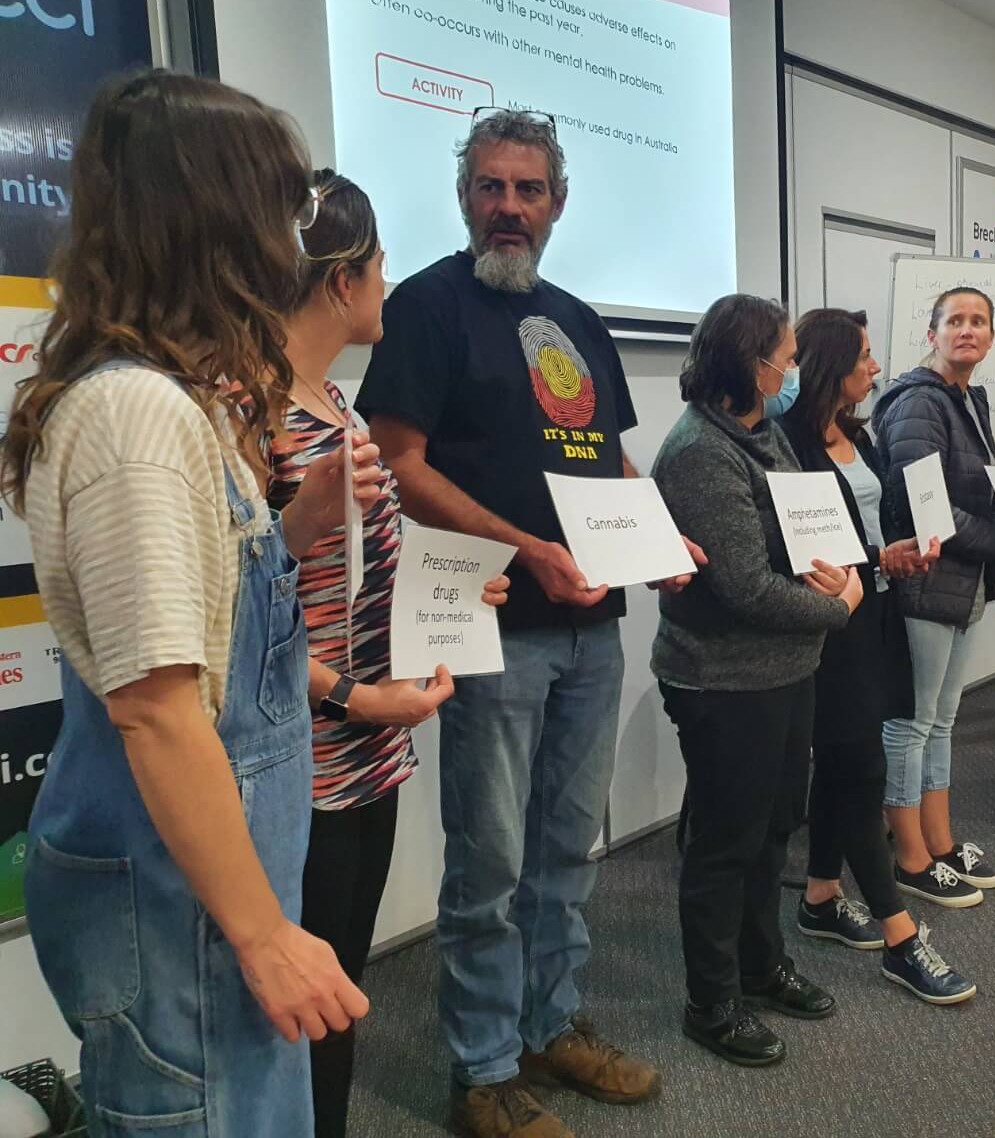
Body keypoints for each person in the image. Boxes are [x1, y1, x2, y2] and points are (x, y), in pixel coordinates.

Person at [1, 69, 374, 1133]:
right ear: (223, 218)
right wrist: (265, 935)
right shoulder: (134, 416)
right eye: (286, 207)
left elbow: (216, 628)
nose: (295, 243)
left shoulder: (174, 402)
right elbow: (158, 710)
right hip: (179, 903)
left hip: (198, 891)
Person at [356, 108, 686, 1137]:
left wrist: (659, 543)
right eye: (491, 186)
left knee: (562, 850)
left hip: (593, 627)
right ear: (466, 198)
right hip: (491, 622)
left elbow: (608, 464)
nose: (508, 206)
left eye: (527, 189)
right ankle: (484, 1069)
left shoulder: (580, 319)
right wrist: (528, 547)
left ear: (555, 204)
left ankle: (552, 1025)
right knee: (489, 860)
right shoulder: (423, 307)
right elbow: (397, 463)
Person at [271, 168, 510, 1138]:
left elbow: (372, 567)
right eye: (376, 265)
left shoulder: (336, 401)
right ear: (341, 282)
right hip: (305, 757)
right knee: (299, 1010)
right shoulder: (252, 413)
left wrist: (457, 594)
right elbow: (240, 618)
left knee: (343, 992)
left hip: (371, 747)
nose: (387, 281)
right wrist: (353, 700)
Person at [653, 295, 862, 1066]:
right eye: (784, 353)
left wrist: (834, 577)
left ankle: (759, 966)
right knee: (724, 844)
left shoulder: (763, 431)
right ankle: (710, 1003)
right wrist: (838, 604)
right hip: (724, 680)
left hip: (784, 669)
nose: (793, 368)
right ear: (750, 362)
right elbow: (745, 587)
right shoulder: (700, 452)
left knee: (773, 830)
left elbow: (804, 535)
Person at [778, 307, 977, 1006]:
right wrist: (873, 558)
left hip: (873, 611)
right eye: (864, 356)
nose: (875, 367)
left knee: (843, 767)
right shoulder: (788, 443)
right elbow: (805, 547)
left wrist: (886, 556)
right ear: (833, 362)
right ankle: (900, 936)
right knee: (858, 770)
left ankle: (821, 894)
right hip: (828, 626)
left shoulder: (851, 432)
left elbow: (856, 531)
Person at [874, 287, 995, 904]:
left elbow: (976, 493)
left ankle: (939, 842)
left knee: (941, 720)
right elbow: (927, 510)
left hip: (961, 581)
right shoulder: (919, 402)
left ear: (991, 338)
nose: (967, 331)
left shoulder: (970, 398)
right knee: (910, 726)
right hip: (921, 584)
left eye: (979, 322)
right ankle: (909, 857)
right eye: (955, 321)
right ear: (932, 333)